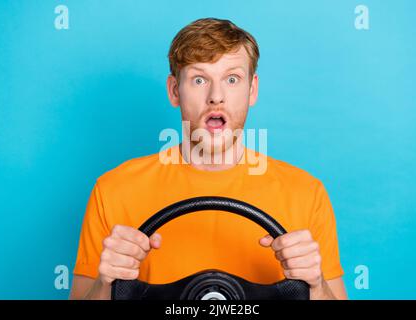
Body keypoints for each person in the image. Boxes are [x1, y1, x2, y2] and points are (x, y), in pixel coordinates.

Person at [69, 18, 347, 300]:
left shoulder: (306, 193)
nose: (216, 97)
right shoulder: (115, 189)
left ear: (252, 90)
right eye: (199, 79)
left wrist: (316, 285)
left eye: (232, 79)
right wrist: (105, 283)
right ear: (175, 91)